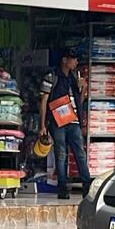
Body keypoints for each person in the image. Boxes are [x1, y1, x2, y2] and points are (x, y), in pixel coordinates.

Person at [39, 49, 92, 200]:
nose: (76, 62)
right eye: (73, 59)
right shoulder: (52, 77)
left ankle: (87, 185)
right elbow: (43, 101)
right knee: (61, 154)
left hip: (74, 122)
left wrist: (84, 88)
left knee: (80, 154)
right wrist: (42, 125)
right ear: (64, 60)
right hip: (58, 122)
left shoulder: (75, 77)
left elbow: (80, 102)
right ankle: (62, 187)